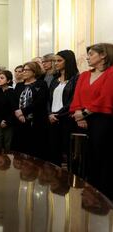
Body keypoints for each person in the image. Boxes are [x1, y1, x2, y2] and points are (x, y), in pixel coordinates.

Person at [70, 43, 113, 200]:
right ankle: (87, 189)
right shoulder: (84, 75)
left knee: (101, 156)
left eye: (91, 54)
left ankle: (103, 194)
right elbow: (77, 97)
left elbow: (106, 97)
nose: (87, 57)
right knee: (84, 156)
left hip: (102, 119)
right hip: (81, 119)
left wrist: (84, 113)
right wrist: (77, 111)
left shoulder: (111, 73)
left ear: (103, 55)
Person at [47, 50, 79, 166]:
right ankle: (55, 179)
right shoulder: (54, 80)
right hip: (52, 118)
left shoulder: (76, 78)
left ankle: (69, 180)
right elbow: (49, 99)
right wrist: (50, 113)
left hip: (66, 118)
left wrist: (58, 114)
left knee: (68, 150)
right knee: (53, 151)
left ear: (68, 61)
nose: (56, 63)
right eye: (54, 61)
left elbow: (73, 100)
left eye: (59, 60)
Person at [12, 61, 49, 159]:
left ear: (34, 72)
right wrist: (19, 115)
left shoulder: (41, 84)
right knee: (19, 150)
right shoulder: (19, 85)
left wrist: (23, 112)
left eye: (27, 70)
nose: (23, 72)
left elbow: (40, 102)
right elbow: (14, 102)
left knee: (33, 150)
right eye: (23, 70)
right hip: (19, 121)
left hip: (35, 121)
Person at [0, 70, 16, 152]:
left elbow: (14, 109)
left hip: (9, 122)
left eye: (2, 78)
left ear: (8, 80)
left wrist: (7, 121)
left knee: (8, 144)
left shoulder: (13, 93)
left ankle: (7, 163)